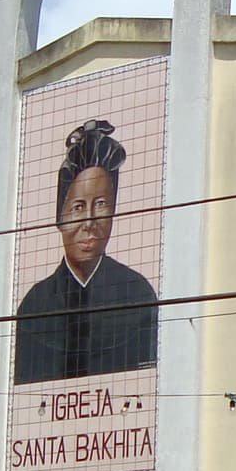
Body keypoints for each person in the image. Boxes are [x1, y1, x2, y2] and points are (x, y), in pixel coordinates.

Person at [12, 118, 159, 384]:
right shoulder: (35, 305)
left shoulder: (138, 292)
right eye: (78, 207)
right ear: (60, 217)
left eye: (101, 204)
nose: (89, 223)